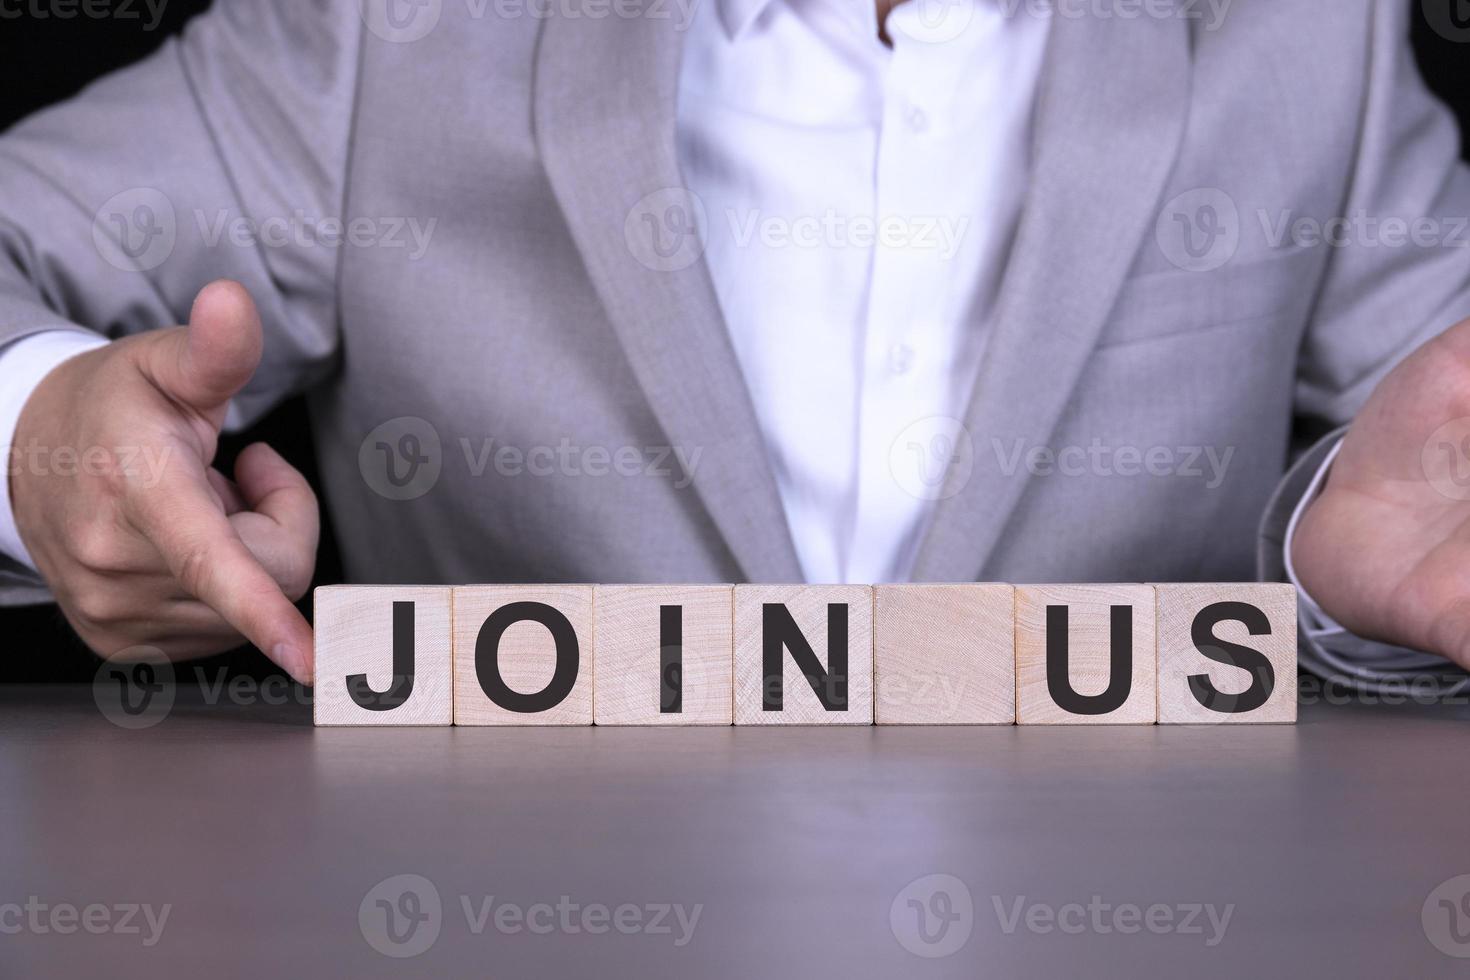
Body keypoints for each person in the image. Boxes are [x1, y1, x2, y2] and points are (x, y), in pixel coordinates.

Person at [1, 0, 1467, 693]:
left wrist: (1323, 581)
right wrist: (42, 435)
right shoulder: (388, 30)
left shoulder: (1309, 31)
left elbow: (1422, 478)